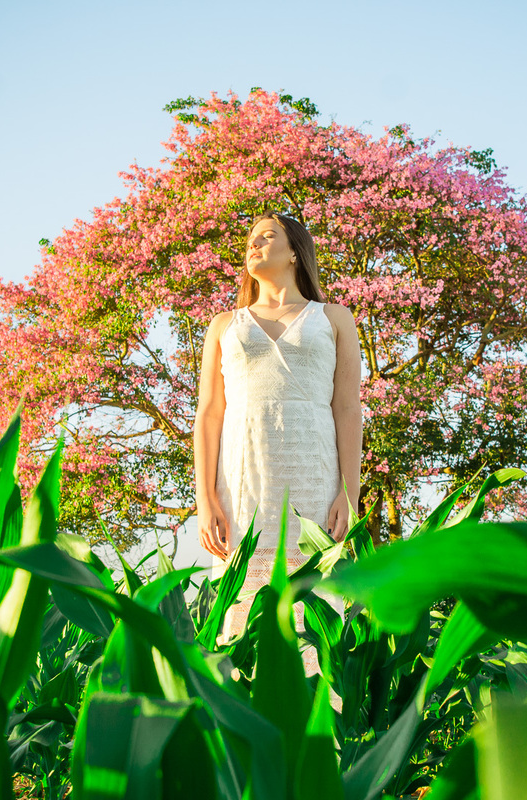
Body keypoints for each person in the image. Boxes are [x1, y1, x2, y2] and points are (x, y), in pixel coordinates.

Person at [193, 210, 363, 670]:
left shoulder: (334, 318)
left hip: (313, 486)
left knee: (315, 620)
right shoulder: (224, 325)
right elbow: (209, 413)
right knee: (241, 627)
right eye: (249, 240)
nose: (254, 245)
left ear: (294, 252)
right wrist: (204, 497)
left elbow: (347, 409)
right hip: (244, 490)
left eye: (267, 237)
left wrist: (350, 492)